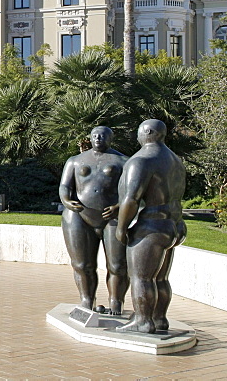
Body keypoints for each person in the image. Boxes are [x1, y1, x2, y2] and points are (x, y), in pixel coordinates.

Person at [115, 119, 187, 333]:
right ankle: (160, 318)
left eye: (138, 133)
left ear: (146, 133)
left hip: (152, 226)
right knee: (161, 277)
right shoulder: (175, 160)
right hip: (175, 225)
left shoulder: (141, 160)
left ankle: (143, 321)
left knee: (141, 276)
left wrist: (121, 227)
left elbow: (131, 199)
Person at [58, 126, 128, 314]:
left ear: (111, 138)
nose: (99, 138)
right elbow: (64, 186)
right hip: (80, 215)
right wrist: (66, 200)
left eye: (103, 135)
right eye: (95, 135)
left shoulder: (123, 161)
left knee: (118, 265)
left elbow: (133, 192)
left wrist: (119, 206)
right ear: (90, 138)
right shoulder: (75, 161)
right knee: (82, 264)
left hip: (111, 217)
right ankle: (87, 300)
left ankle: (116, 301)